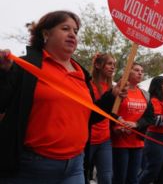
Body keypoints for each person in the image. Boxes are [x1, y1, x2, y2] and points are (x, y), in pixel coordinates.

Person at [0, 10, 124, 183]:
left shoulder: (82, 74)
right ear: (46, 33)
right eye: (65, 28)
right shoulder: (26, 66)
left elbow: (89, 117)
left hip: (75, 167)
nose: (72, 34)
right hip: (31, 168)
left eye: (75, 31)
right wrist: (3, 73)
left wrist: (111, 96)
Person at [111, 63, 148, 184]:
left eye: (142, 71)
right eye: (136, 70)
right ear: (128, 72)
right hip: (120, 142)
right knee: (119, 179)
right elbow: (110, 112)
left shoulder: (144, 94)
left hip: (138, 142)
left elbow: (149, 117)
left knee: (133, 179)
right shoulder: (119, 90)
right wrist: (119, 124)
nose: (140, 73)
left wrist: (136, 124)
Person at [138, 76, 163, 184]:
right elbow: (155, 120)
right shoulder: (155, 100)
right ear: (158, 87)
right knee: (152, 171)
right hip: (156, 139)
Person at [85, 53, 116, 184]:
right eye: (109, 64)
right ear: (97, 65)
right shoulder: (87, 86)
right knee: (84, 175)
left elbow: (112, 113)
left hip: (105, 139)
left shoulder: (112, 88)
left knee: (107, 178)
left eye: (114, 65)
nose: (113, 67)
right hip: (88, 139)